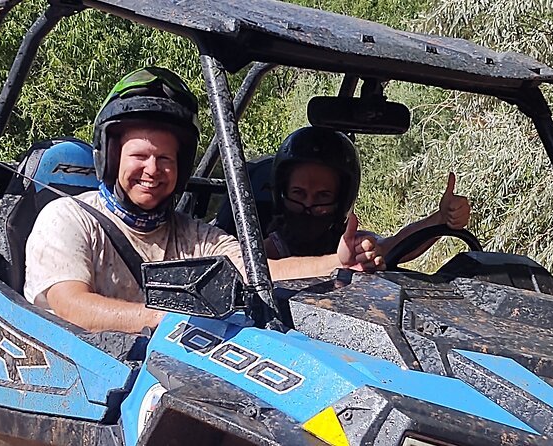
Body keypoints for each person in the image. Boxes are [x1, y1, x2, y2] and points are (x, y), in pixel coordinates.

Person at [24, 68, 383, 333]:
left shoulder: (195, 236)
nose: (153, 170)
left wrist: (335, 262)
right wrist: (167, 322)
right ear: (112, 156)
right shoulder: (69, 218)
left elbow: (260, 270)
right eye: (139, 156)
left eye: (166, 159)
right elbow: (70, 305)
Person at [264, 126, 471, 262]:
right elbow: (257, 271)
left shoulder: (350, 242)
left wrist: (442, 218)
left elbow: (396, 245)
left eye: (323, 196)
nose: (308, 206)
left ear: (342, 199)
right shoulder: (271, 249)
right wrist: (340, 263)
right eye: (298, 194)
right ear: (282, 192)